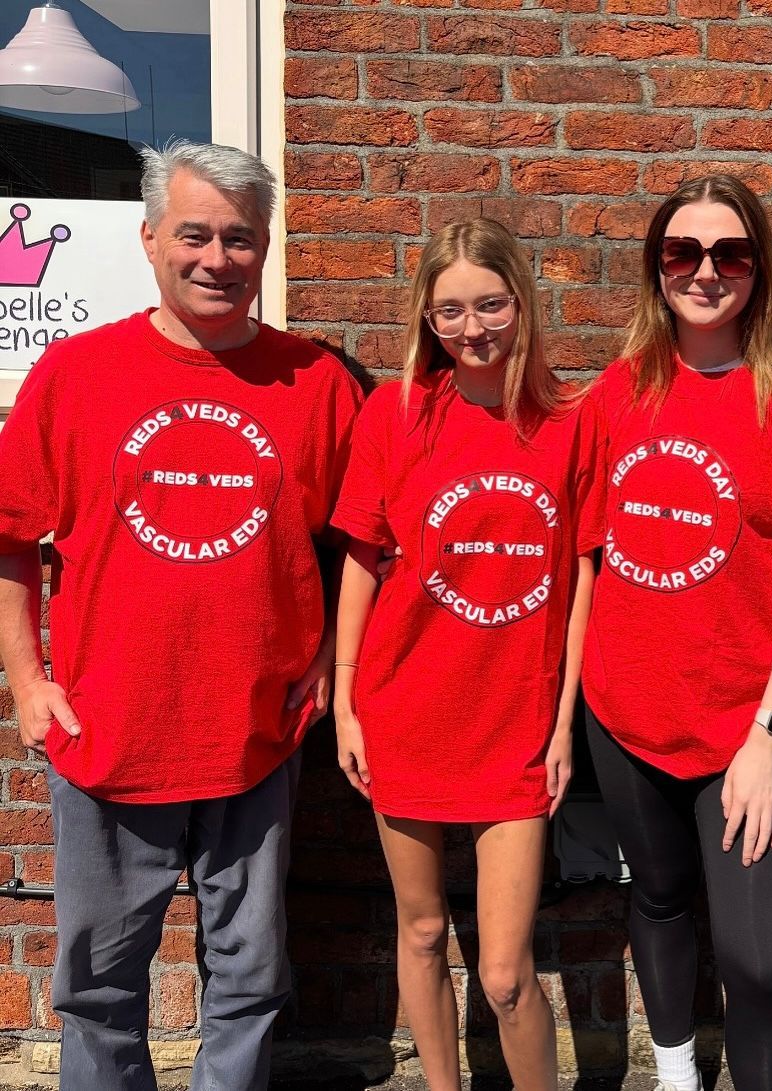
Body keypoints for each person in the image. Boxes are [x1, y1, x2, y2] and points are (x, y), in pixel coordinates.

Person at [0, 140, 362, 1091]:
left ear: (266, 247)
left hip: (257, 731)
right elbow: (11, 535)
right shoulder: (77, 373)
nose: (217, 259)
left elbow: (361, 543)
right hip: (111, 729)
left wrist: (329, 656)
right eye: (194, 235)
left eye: (239, 238)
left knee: (249, 978)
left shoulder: (316, 383)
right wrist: (28, 681)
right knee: (97, 986)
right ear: (150, 238)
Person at [580, 175, 772, 1091]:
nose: (705, 272)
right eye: (683, 252)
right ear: (656, 267)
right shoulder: (616, 394)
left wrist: (769, 736)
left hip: (748, 726)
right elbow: (585, 556)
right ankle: (676, 1073)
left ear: (759, 269)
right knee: (658, 896)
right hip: (625, 708)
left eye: (730, 253)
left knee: (756, 957)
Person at [331, 218, 601, 1091]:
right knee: (420, 931)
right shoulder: (396, 412)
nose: (471, 328)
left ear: (521, 302)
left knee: (506, 973)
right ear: (426, 315)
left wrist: (562, 723)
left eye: (489, 305)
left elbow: (581, 576)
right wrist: (344, 701)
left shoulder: (570, 421)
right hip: (404, 709)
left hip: (515, 722)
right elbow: (363, 558)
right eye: (449, 310)